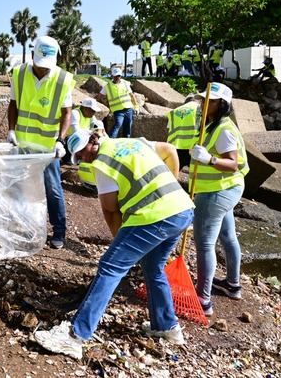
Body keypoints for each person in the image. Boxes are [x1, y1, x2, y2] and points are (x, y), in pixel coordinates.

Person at [33, 130, 195, 359]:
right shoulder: (134, 142)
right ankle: (167, 327)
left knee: (110, 266)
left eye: (83, 152)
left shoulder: (104, 165)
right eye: (77, 158)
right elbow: (169, 150)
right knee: (153, 267)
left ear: (93, 140)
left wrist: (121, 246)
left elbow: (110, 210)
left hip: (155, 216)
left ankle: (75, 336)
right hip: (182, 209)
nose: (83, 159)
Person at [7, 35, 74, 249]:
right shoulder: (18, 74)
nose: (43, 69)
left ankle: (59, 231)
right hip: (23, 144)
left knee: (53, 188)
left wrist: (60, 140)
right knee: (19, 186)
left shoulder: (63, 80)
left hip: (47, 147)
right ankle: (24, 227)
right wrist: (10, 130)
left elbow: (67, 112)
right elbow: (13, 104)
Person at [189, 82, 249, 316]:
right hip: (225, 189)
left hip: (218, 191)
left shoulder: (223, 128)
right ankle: (233, 285)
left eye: (210, 101)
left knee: (204, 243)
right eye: (203, 100)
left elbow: (232, 164)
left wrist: (209, 160)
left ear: (222, 105)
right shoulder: (213, 125)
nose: (204, 104)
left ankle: (203, 300)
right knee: (227, 236)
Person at [97, 67, 137, 138]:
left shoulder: (125, 83)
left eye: (118, 76)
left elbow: (132, 95)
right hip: (117, 110)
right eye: (115, 76)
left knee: (127, 127)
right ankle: (110, 141)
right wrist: (91, 102)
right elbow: (99, 96)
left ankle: (126, 141)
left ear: (120, 76)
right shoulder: (107, 86)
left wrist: (136, 106)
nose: (117, 77)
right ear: (112, 76)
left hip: (128, 108)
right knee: (118, 124)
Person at [167, 94, 201, 169]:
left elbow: (168, 128)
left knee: (173, 172)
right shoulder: (200, 109)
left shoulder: (174, 111)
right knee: (195, 173)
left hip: (176, 147)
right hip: (193, 146)